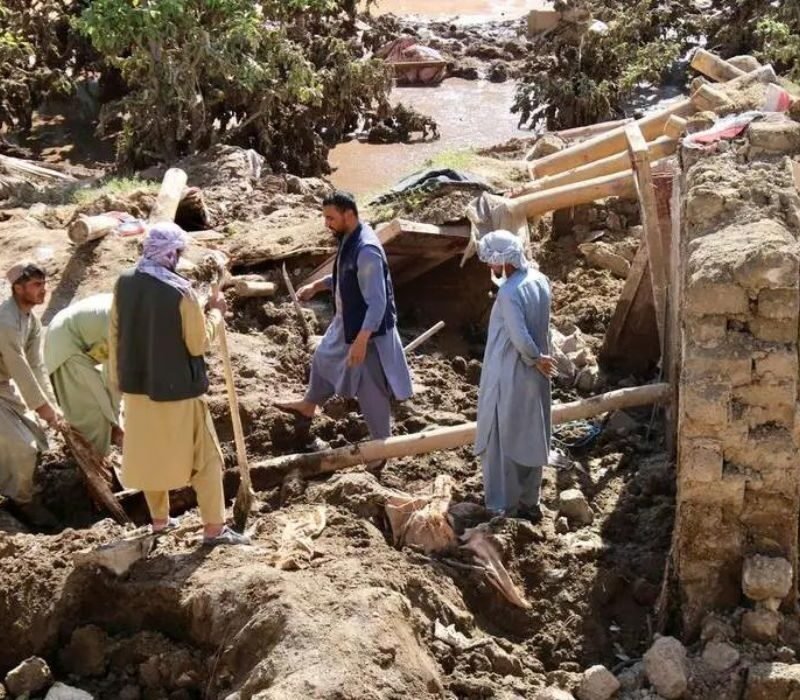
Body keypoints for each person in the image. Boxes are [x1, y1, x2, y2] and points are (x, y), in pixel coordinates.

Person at [109, 223, 248, 545]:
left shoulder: (124, 283)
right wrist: (216, 313)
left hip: (137, 389)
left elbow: (115, 333)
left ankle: (160, 522)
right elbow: (198, 344)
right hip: (178, 393)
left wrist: (118, 382)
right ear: (170, 254)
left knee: (149, 457)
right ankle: (214, 529)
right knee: (207, 459)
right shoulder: (180, 292)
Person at [275, 191, 413, 457]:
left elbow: (377, 302)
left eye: (331, 218)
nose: (327, 223)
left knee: (371, 389)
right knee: (323, 357)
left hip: (369, 333)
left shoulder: (367, 250)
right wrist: (319, 285)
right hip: (346, 324)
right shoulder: (349, 238)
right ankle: (309, 404)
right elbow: (346, 275)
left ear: (349, 215)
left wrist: (361, 341)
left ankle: (381, 447)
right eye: (325, 217)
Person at [474, 230, 556, 521]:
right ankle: (529, 500)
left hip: (509, 371)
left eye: (492, 262)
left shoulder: (509, 292)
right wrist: (542, 360)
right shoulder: (539, 280)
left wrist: (533, 358)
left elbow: (519, 337)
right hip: (537, 374)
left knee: (502, 436)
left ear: (502, 260)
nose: (490, 268)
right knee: (531, 431)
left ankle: (502, 505)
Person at [0, 262, 62, 516]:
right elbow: (19, 366)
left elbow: (37, 365)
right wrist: (42, 407)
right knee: (23, 447)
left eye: (44, 284)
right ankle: (21, 503)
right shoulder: (6, 321)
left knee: (36, 435)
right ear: (18, 288)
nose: (43, 290)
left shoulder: (31, 321)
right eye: (36, 285)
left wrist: (52, 407)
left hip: (2, 386)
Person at [44, 293, 122, 456]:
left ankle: (102, 452)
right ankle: (93, 468)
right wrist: (114, 421)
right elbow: (115, 377)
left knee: (103, 404)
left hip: (87, 341)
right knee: (92, 413)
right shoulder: (127, 321)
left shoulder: (134, 308)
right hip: (65, 343)